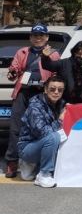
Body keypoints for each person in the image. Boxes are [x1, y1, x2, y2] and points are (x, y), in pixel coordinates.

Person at [4, 24, 60, 179]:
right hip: (23, 92)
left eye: (41, 35)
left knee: (42, 127)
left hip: (42, 95)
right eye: (35, 35)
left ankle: (42, 162)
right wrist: (12, 73)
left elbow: (56, 74)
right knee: (16, 128)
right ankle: (12, 161)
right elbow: (13, 72)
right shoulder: (22, 52)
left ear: (47, 38)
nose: (38, 38)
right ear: (30, 37)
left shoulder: (54, 54)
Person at [16, 75, 67, 187]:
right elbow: (43, 132)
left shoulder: (61, 104)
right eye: (52, 89)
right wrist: (60, 120)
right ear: (45, 89)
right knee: (54, 137)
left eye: (60, 90)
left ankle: (40, 167)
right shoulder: (35, 107)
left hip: (44, 145)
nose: (56, 92)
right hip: (27, 147)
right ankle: (44, 175)